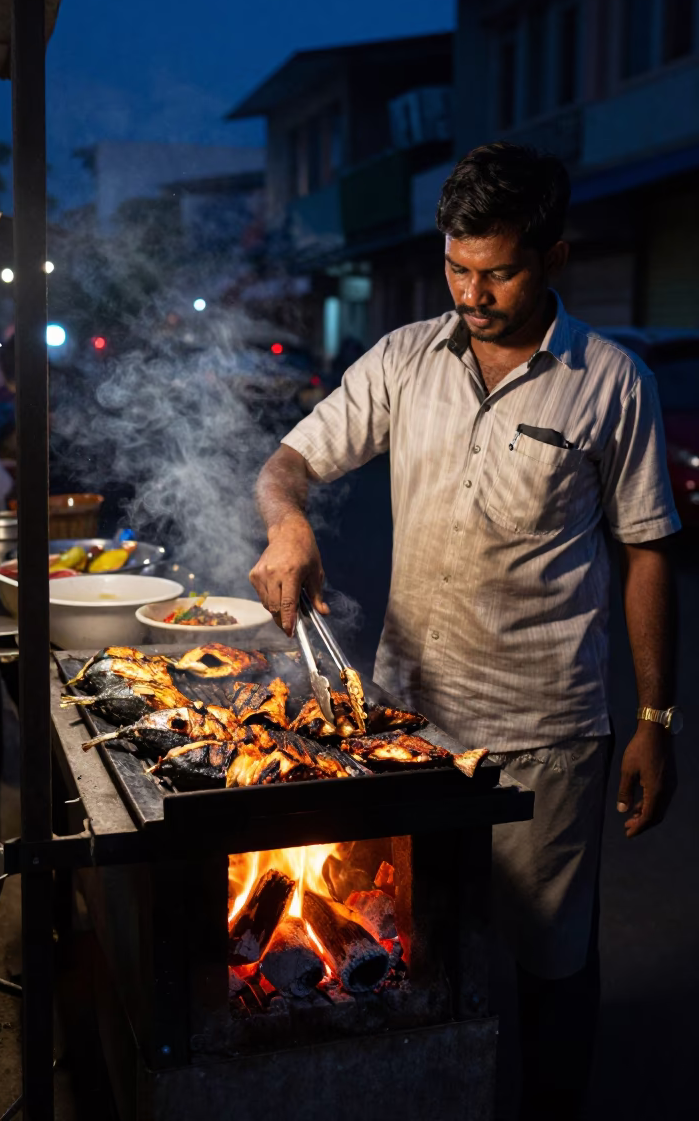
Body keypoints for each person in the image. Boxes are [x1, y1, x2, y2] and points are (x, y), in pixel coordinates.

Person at [249, 143, 681, 1118]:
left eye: (497, 270)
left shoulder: (613, 383)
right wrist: (290, 521)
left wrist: (657, 714)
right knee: (410, 941)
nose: (472, 293)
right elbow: (287, 461)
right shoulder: (406, 357)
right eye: (456, 266)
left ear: (555, 255)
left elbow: (647, 551)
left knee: (551, 959)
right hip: (409, 728)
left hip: (549, 736)